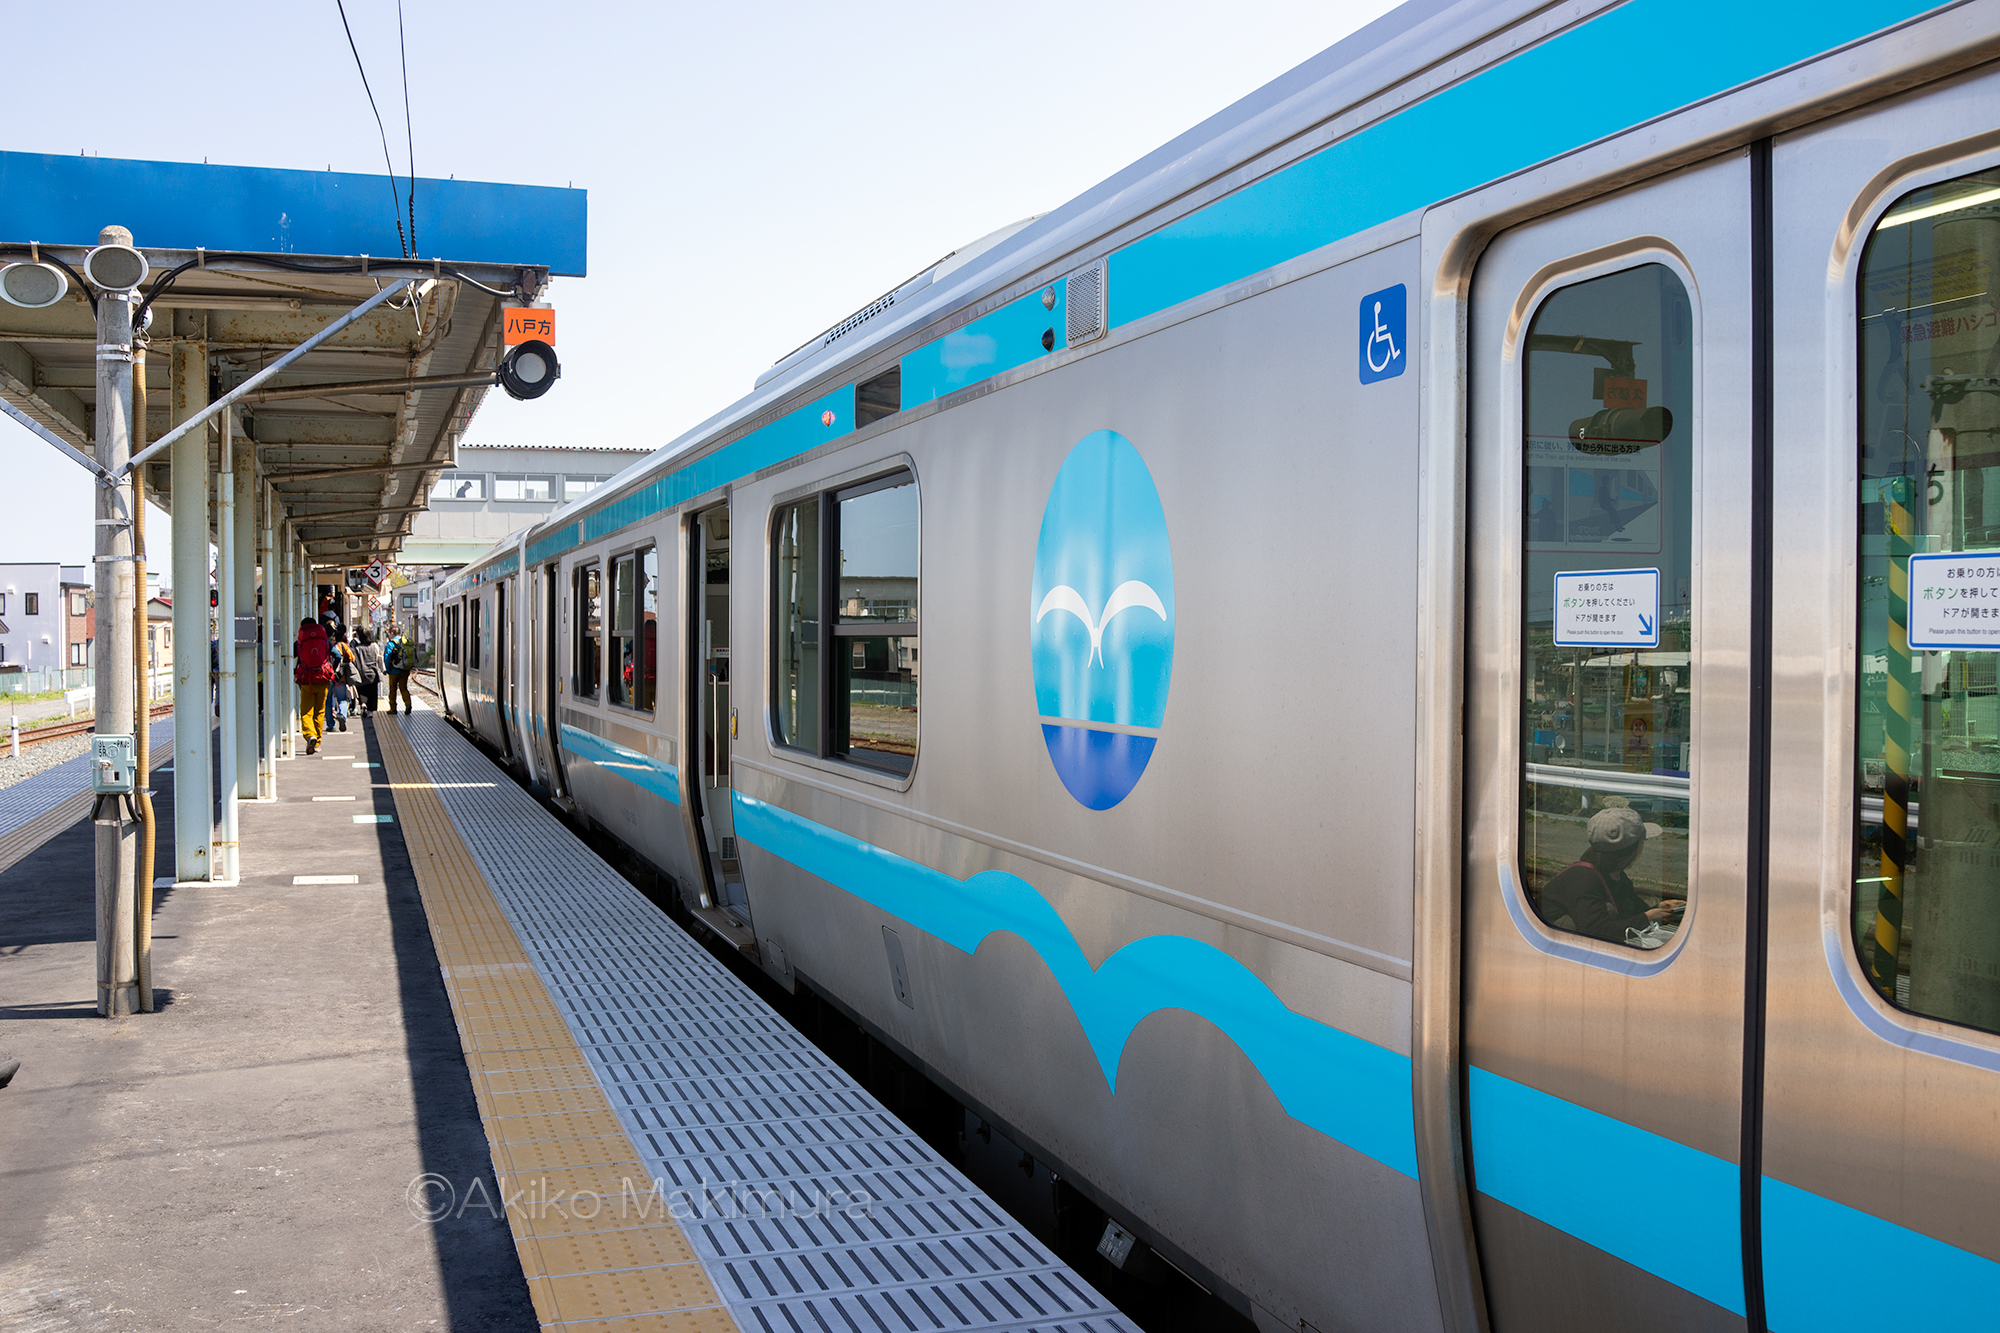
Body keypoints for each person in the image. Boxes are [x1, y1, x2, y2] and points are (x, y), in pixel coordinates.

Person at [1538, 806, 1684, 946]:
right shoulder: (1583, 879)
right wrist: (1648, 918)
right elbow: (1596, 931)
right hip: (1550, 941)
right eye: (1642, 841)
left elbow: (1632, 912)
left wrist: (1659, 908)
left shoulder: (1613, 874)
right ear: (1631, 850)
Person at [293, 618, 335, 755]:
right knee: (320, 712)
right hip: (323, 679)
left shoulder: (299, 642)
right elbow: (338, 655)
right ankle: (317, 743)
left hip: (306, 680)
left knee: (306, 712)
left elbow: (290, 658)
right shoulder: (325, 641)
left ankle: (309, 735)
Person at [328, 629, 356, 733]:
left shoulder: (325, 644)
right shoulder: (343, 646)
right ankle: (342, 715)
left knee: (328, 701)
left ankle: (330, 724)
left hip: (327, 675)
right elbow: (352, 658)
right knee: (342, 699)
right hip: (340, 676)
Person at [383, 625, 414, 715]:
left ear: (392, 633)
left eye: (389, 633)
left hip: (394, 671)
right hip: (405, 670)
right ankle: (408, 703)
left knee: (392, 689)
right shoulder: (405, 642)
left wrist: (387, 669)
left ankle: (393, 708)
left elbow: (387, 657)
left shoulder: (391, 643)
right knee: (403, 688)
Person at [353, 628, 385, 715]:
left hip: (362, 672)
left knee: (362, 690)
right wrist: (382, 669)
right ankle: (370, 711)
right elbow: (379, 658)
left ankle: (363, 704)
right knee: (372, 692)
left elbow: (355, 661)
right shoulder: (374, 646)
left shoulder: (357, 648)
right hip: (373, 672)